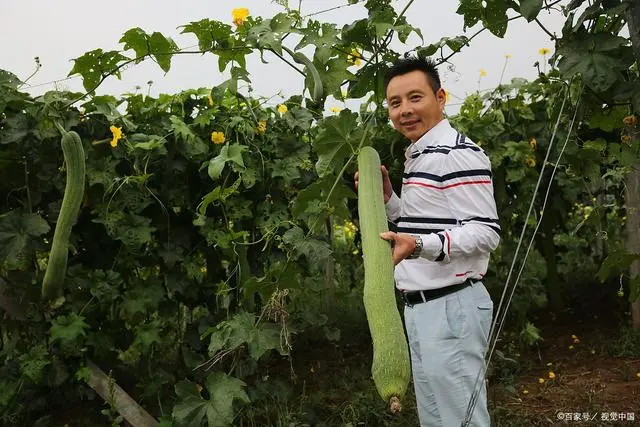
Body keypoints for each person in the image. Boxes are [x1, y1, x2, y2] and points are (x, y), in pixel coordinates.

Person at [355, 56, 500, 426]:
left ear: (440, 97)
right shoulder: (420, 154)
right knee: (437, 420)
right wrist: (388, 199)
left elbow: (485, 232)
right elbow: (424, 224)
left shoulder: (456, 153)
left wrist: (418, 246)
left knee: (460, 420)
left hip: (451, 307)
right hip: (423, 310)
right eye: (395, 102)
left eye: (415, 98)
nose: (405, 110)